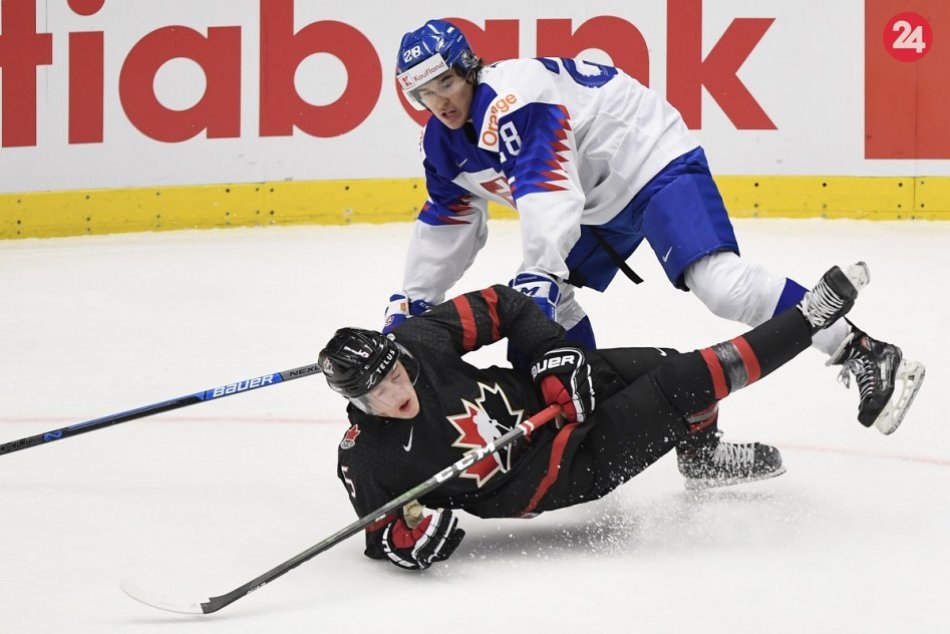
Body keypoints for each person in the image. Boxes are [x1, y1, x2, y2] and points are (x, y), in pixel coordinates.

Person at [382, 19, 924, 435]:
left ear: (471, 67)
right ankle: (590, 424)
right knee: (548, 312)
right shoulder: (441, 143)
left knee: (721, 285)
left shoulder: (516, 96)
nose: (439, 102)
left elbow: (548, 190)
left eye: (447, 83)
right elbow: (449, 221)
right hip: (594, 203)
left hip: (646, 158)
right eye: (423, 94)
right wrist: (413, 299)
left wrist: (540, 274)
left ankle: (864, 350)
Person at [322, 261, 869, 571]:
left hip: (550, 394)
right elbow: (383, 535)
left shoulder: (413, 345)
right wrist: (410, 539)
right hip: (557, 470)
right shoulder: (366, 455)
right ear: (356, 404)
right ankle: (807, 320)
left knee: (671, 366)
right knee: (685, 385)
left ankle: (701, 458)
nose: (399, 393)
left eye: (396, 375)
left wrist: (548, 357)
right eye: (381, 394)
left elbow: (503, 304)